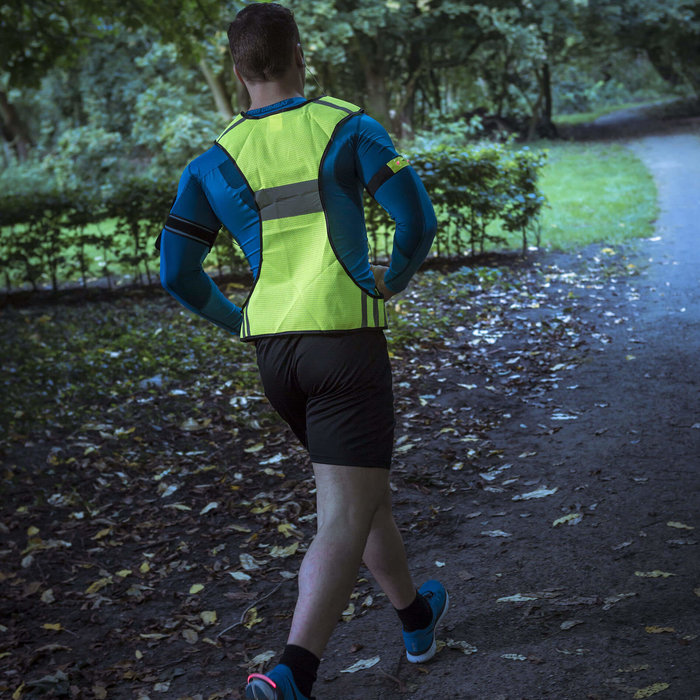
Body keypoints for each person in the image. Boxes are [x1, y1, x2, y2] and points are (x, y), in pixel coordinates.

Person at [157, 4, 447, 698]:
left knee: (357, 496)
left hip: (277, 360)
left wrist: (241, 322)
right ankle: (295, 669)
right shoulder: (348, 126)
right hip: (343, 343)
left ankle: (415, 618)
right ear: (300, 56)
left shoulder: (212, 159)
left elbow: (176, 273)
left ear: (236, 70)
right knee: (345, 512)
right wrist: (395, 277)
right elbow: (418, 218)